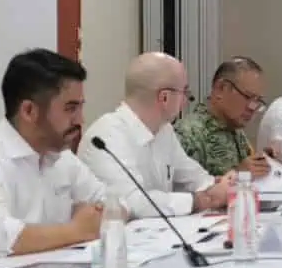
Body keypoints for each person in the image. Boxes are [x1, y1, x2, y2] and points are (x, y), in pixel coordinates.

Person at [0, 48, 108, 256]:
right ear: (29, 111)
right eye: (70, 108)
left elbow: (111, 202)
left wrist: (95, 215)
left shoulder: (60, 157)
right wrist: (76, 230)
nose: (80, 120)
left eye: (80, 107)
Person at [79, 53, 232, 218]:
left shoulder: (164, 130)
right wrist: (199, 201)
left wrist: (222, 185)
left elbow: (196, 178)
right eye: (185, 92)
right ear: (164, 97)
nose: (187, 100)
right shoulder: (106, 136)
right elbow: (131, 203)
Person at [175, 57, 271, 181]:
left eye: (258, 101)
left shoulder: (236, 130)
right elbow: (182, 193)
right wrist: (238, 174)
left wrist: (263, 163)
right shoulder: (188, 135)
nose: (253, 107)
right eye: (248, 97)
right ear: (221, 88)